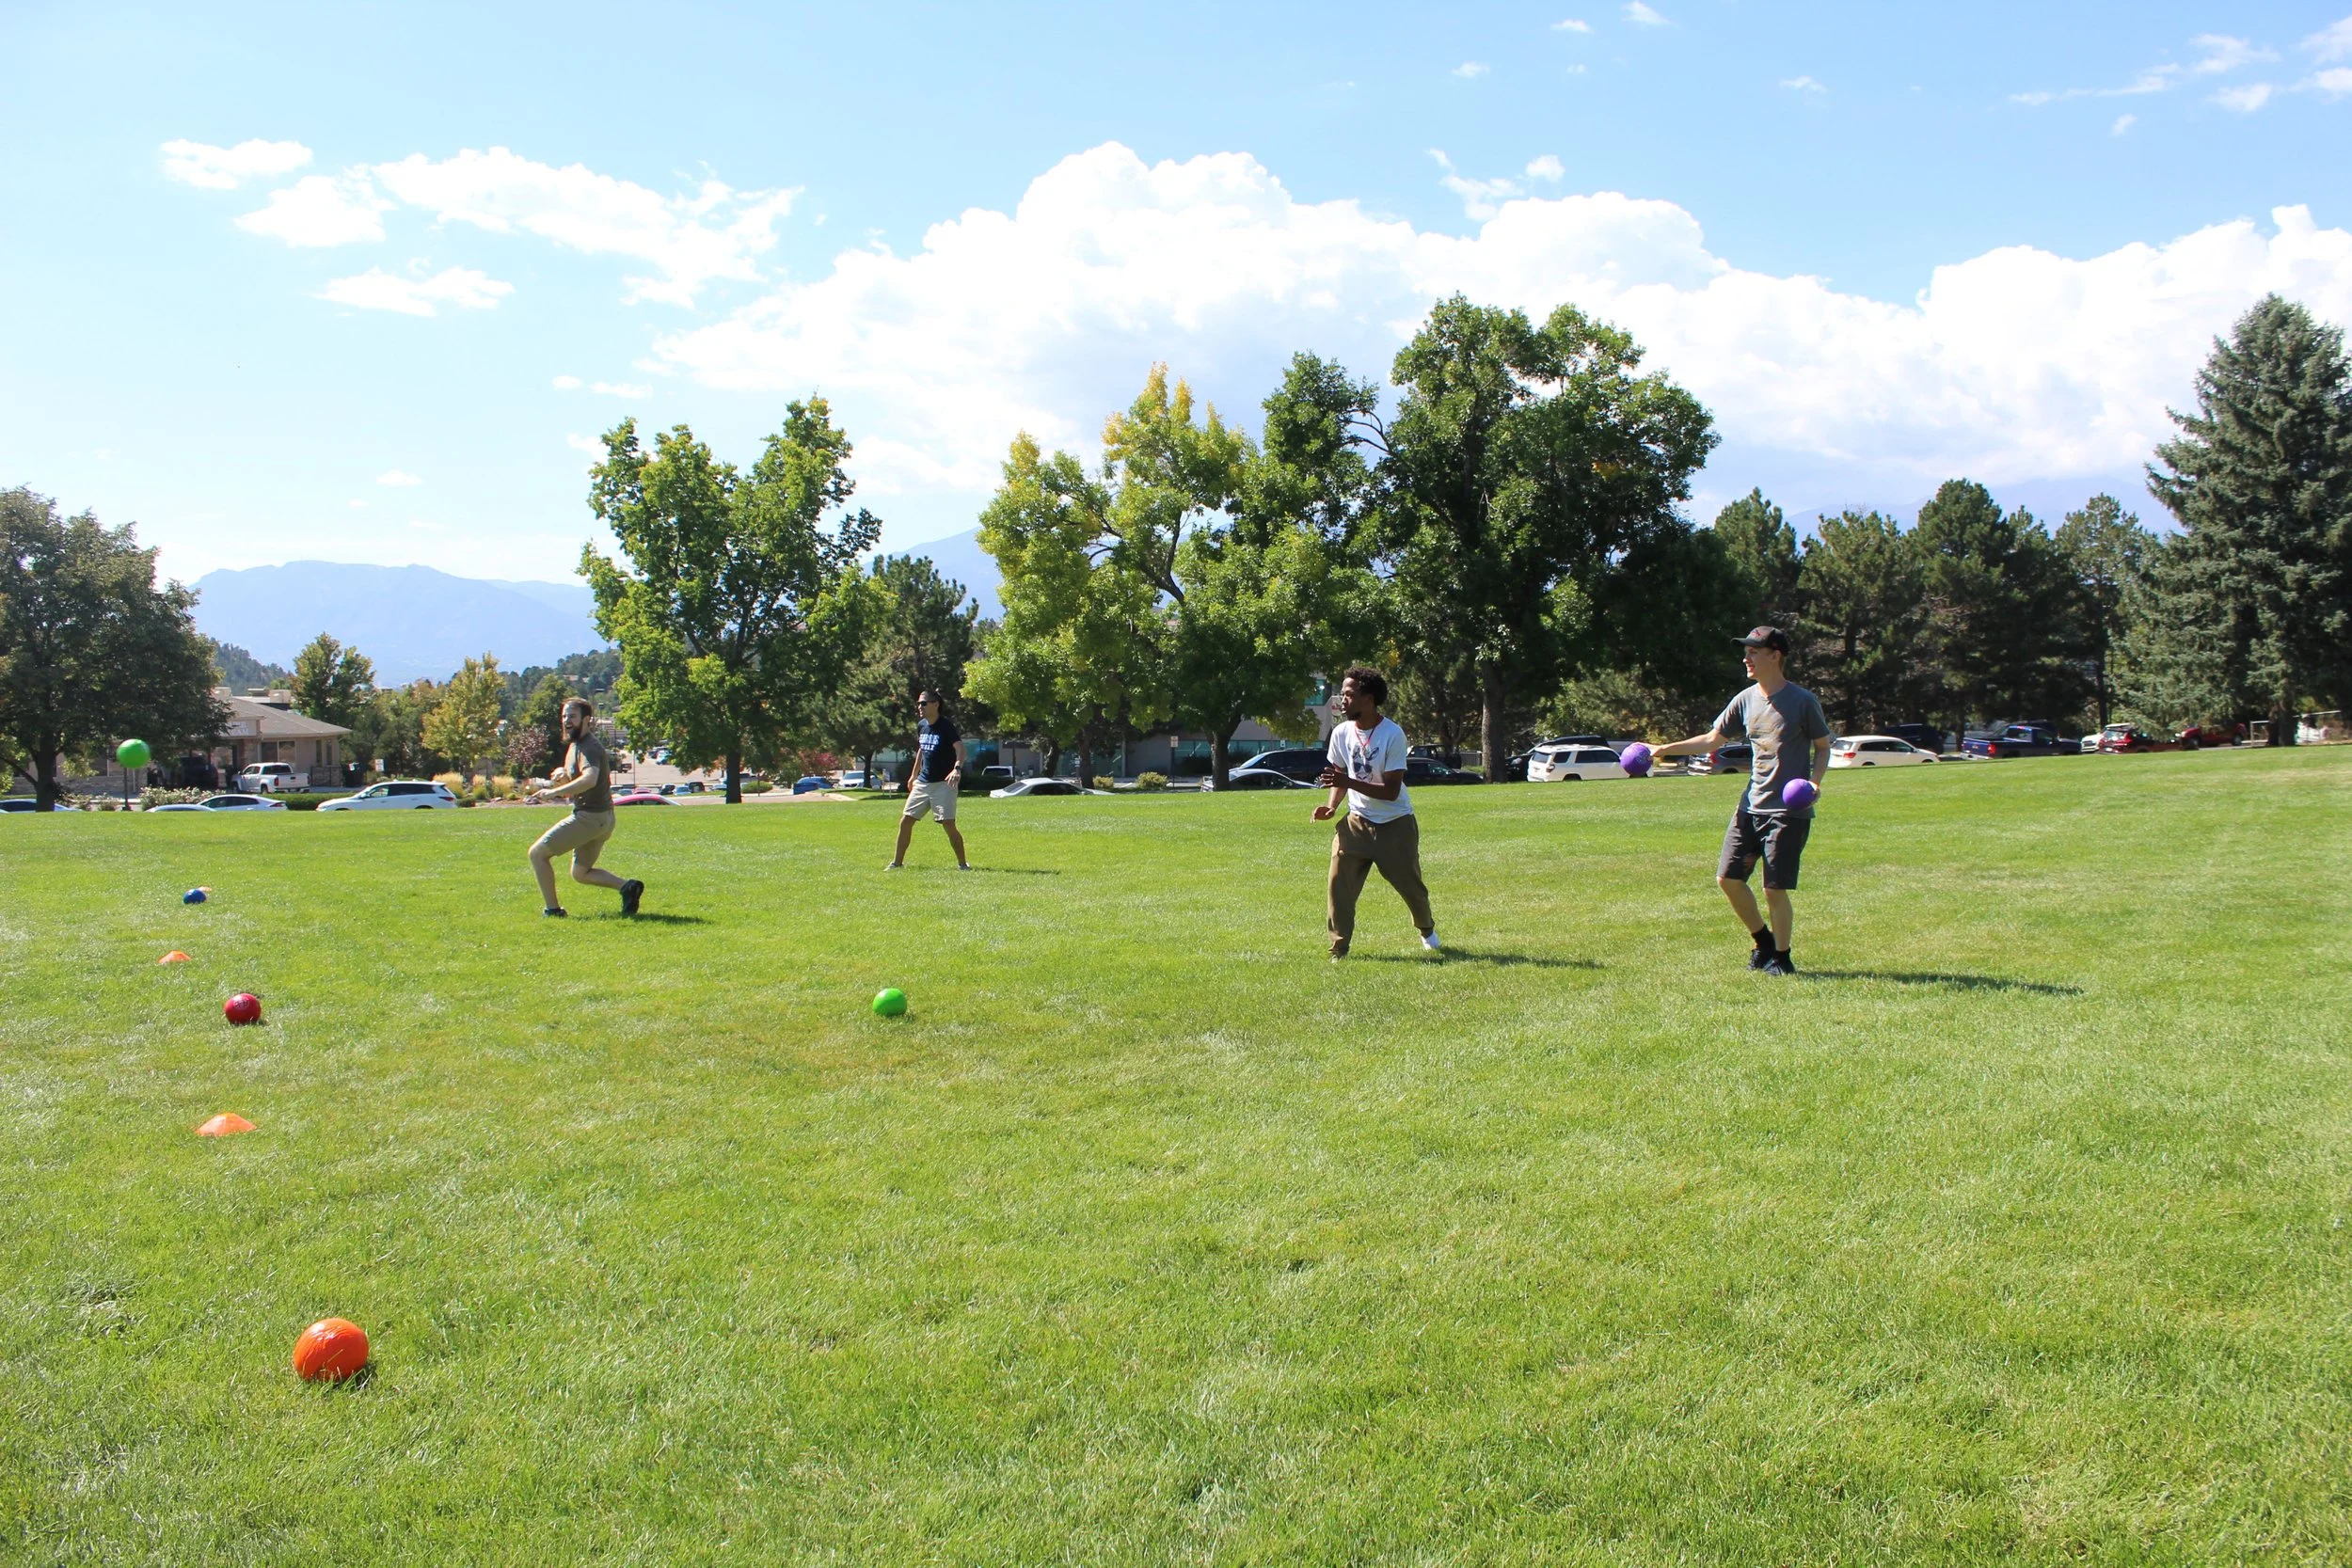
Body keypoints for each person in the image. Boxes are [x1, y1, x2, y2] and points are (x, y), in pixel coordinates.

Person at [1648, 626, 1830, 974]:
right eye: (1745, 652)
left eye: (1754, 652)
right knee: (1728, 879)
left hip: (1788, 810)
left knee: (1773, 888)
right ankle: (1763, 942)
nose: (1746, 658)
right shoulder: (1745, 700)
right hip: (1750, 806)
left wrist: (1815, 782)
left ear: (1775, 655)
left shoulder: (1803, 701)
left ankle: (1782, 957)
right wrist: (1664, 749)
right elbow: (1713, 739)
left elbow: (1822, 747)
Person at [1315, 666, 1439, 958]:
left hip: (1395, 825)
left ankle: (1427, 930)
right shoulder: (1341, 733)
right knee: (1338, 888)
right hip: (1356, 822)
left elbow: (1391, 790)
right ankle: (1338, 949)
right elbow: (1338, 774)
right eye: (1342, 695)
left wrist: (1346, 782)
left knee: (1413, 890)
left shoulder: (1392, 734)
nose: (1342, 700)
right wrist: (1332, 806)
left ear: (1368, 699)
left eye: (1348, 695)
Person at [526, 697, 644, 917]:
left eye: (572, 716)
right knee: (580, 873)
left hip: (589, 817)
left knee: (537, 854)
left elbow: (590, 779)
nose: (566, 720)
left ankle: (553, 911)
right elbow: (580, 775)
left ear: (586, 719)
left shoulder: (589, 746)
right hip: (603, 818)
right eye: (564, 716)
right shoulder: (576, 745)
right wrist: (563, 775)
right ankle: (628, 887)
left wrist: (553, 792)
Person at [888, 689, 971, 871]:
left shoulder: (946, 726)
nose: (920, 707)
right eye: (918, 703)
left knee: (948, 824)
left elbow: (960, 749)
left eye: (924, 703)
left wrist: (957, 769)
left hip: (943, 784)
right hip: (923, 783)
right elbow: (922, 750)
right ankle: (897, 863)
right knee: (906, 821)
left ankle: (963, 864)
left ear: (936, 704)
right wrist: (913, 774)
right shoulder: (922, 725)